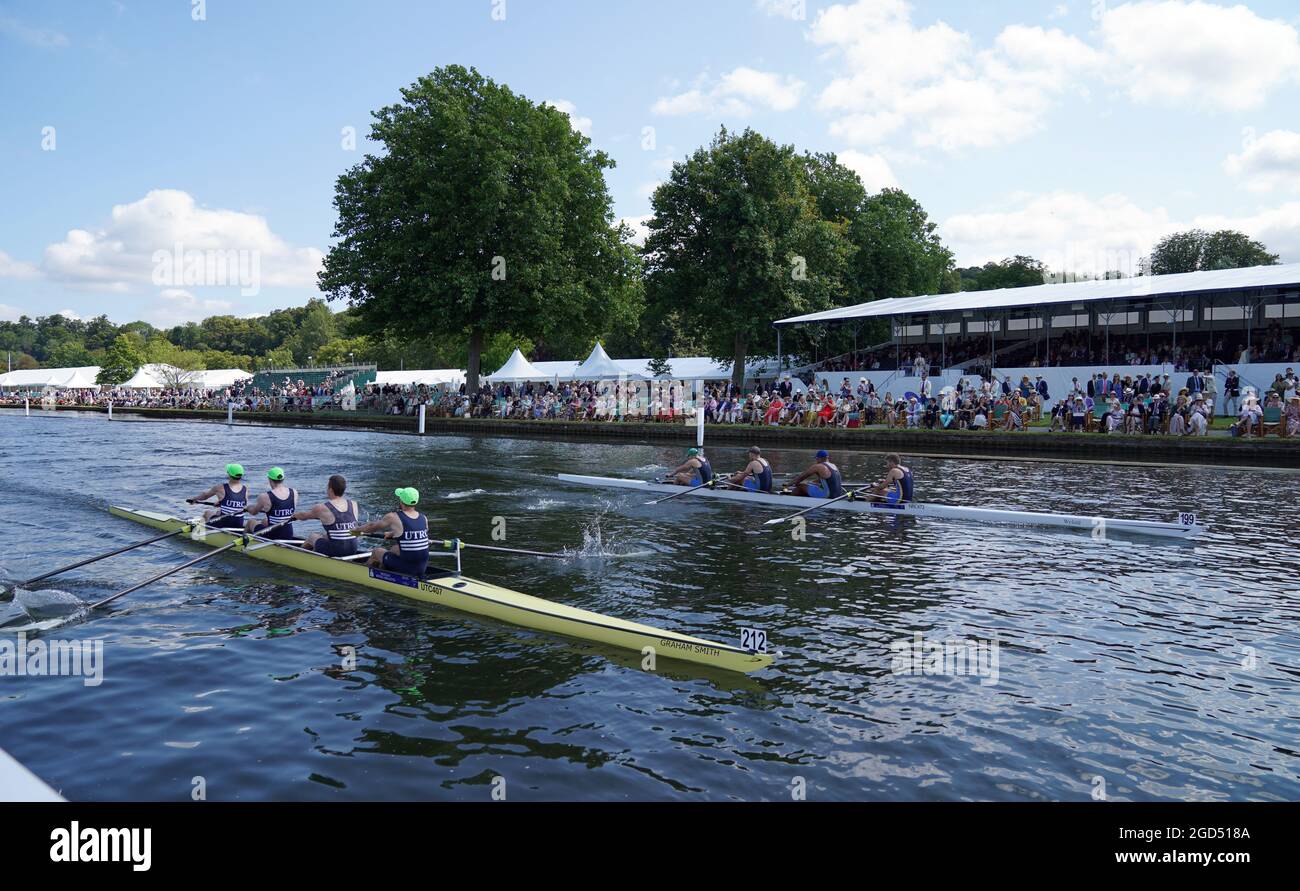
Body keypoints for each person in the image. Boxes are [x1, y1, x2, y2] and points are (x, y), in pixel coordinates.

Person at [355, 487, 430, 577]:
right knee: (395, 548)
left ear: (401, 500)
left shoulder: (393, 517)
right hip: (422, 568)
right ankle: (385, 572)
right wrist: (393, 533)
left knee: (376, 552)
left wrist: (356, 530)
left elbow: (371, 527)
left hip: (408, 569)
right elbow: (413, 535)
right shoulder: (424, 518)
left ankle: (363, 575)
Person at [295, 474, 360, 558]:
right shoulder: (353, 504)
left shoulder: (322, 508)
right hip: (353, 548)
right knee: (325, 535)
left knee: (313, 536)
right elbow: (356, 530)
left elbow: (304, 516)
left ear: (330, 489)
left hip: (337, 550)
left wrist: (295, 515)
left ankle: (298, 557)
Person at [188, 464, 249, 529]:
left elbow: (205, 496)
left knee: (207, 513)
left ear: (229, 475)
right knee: (218, 512)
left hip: (225, 522)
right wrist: (222, 503)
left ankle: (201, 531)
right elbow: (242, 505)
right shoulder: (245, 489)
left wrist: (194, 499)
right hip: (238, 523)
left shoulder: (220, 488)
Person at [244, 467, 298, 540]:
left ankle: (243, 544)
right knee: (264, 521)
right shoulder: (294, 492)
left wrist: (247, 508)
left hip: (273, 536)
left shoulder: (264, 496)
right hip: (288, 533)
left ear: (269, 479)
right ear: (283, 479)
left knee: (251, 522)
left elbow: (254, 512)